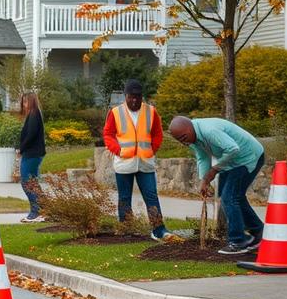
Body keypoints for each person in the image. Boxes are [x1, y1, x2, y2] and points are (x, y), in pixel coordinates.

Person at [168, 115, 267, 255]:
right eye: (179, 140)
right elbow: (202, 157)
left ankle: (238, 241)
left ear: (189, 128)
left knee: (230, 198)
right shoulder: (194, 138)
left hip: (248, 157)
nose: (184, 143)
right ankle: (258, 231)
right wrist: (204, 181)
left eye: (184, 138)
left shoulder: (209, 131)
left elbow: (233, 149)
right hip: (232, 162)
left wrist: (214, 170)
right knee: (230, 197)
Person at [103, 79, 177, 240]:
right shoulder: (115, 112)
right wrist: (118, 150)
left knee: (151, 196)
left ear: (142, 96)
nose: (135, 100)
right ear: (125, 96)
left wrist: (153, 148)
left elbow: (158, 133)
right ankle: (126, 228)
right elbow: (108, 134)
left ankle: (159, 230)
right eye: (131, 97)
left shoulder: (151, 111)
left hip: (146, 163)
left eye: (138, 96)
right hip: (124, 162)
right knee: (124, 198)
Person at [17, 92, 47, 223]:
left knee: (26, 183)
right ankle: (45, 210)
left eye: (25, 102)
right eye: (23, 102)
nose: (24, 105)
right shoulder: (34, 114)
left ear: (31, 101)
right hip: (34, 153)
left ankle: (35, 212)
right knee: (33, 183)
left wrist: (21, 149)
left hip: (32, 154)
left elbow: (30, 136)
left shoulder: (34, 114)